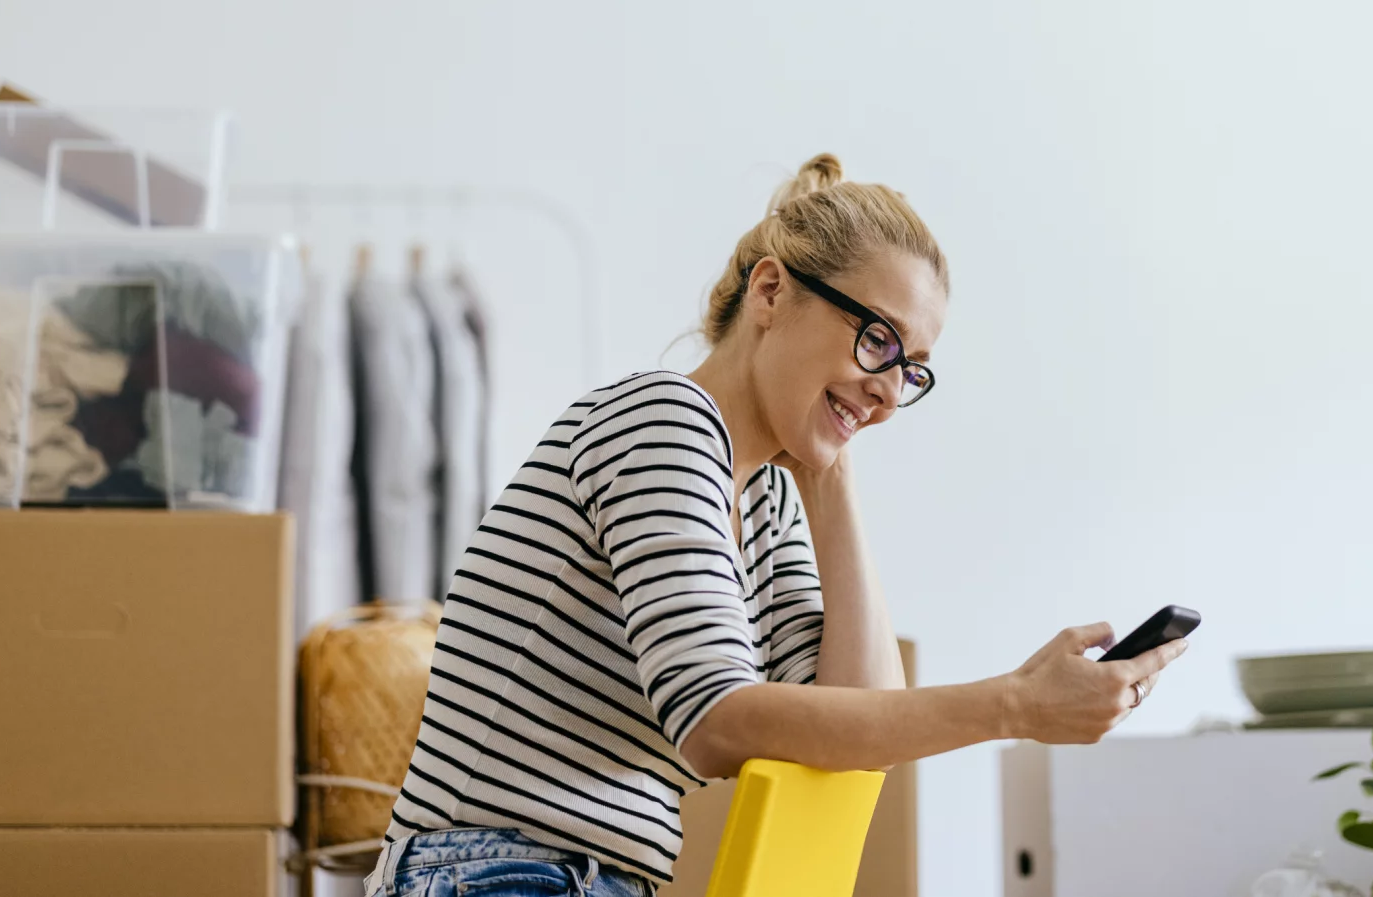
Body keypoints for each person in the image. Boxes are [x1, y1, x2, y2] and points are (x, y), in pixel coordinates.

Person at [366, 153, 1188, 897]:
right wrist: (1013, 705)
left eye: (913, 370)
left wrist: (834, 481)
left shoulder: (760, 498)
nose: (892, 392)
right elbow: (718, 721)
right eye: (877, 341)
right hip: (489, 869)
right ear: (770, 293)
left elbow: (860, 726)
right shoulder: (664, 420)